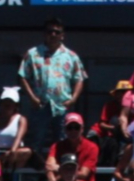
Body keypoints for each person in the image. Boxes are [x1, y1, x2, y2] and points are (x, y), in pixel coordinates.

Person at [19, 17, 86, 154]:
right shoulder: (33, 54)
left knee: (63, 141)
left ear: (62, 35)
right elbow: (22, 76)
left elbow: (79, 78)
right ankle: (35, 173)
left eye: (57, 32)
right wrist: (32, 98)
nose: (53, 35)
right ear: (45, 34)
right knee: (35, 141)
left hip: (62, 105)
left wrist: (73, 99)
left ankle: (60, 171)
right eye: (50, 31)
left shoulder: (71, 56)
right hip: (40, 105)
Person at [0, 88, 31, 174]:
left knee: (26, 152)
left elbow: (19, 138)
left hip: (13, 152)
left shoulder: (21, 119)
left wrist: (11, 152)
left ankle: (14, 175)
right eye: (5, 103)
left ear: (16, 105)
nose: (7, 106)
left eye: (10, 104)